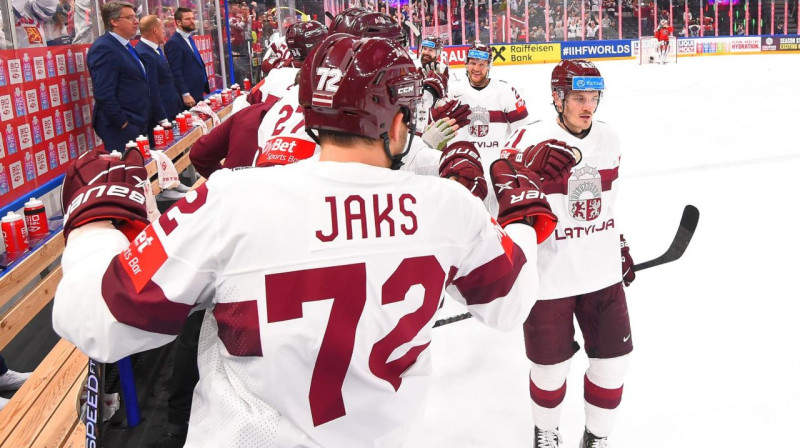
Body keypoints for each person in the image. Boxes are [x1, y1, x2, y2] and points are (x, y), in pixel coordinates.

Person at [52, 34, 555, 447]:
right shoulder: (448, 207)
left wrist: (96, 220)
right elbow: (509, 305)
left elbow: (98, 320)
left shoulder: (234, 201)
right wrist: (523, 220)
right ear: (397, 121)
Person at [502, 59, 635, 448]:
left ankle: (597, 438)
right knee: (549, 369)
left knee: (613, 365)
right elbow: (498, 202)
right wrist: (525, 172)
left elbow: (605, 204)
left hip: (602, 275)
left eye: (594, 97)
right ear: (557, 98)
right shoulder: (527, 141)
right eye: (578, 97)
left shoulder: (610, 140)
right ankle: (545, 431)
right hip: (550, 277)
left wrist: (618, 242)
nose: (588, 106)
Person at [449, 40, 529, 215]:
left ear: (489, 66)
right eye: (472, 63)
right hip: (464, 175)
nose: (476, 69)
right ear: (466, 64)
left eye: (482, 64)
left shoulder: (506, 92)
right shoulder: (453, 92)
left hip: (497, 178)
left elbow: (523, 133)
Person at [87, 1, 153, 152]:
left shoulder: (126, 45)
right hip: (121, 127)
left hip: (138, 121)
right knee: (128, 172)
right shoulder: (104, 48)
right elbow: (103, 93)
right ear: (114, 21)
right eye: (130, 18)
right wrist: (123, 123)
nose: (136, 21)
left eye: (135, 16)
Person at [137, 15, 182, 125]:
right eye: (163, 28)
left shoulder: (155, 49)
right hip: (163, 115)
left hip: (172, 108)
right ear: (155, 31)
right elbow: (152, 88)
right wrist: (162, 118)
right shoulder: (144, 53)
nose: (164, 32)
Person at [165, 7, 209, 108]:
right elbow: (175, 71)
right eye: (188, 19)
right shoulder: (174, 42)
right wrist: (185, 94)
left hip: (198, 92)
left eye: (193, 18)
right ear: (178, 22)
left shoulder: (189, 38)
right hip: (188, 97)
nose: (192, 21)